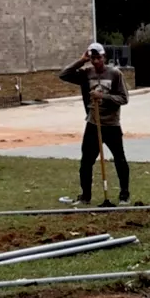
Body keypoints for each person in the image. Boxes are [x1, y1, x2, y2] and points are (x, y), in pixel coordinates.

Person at [59, 43, 130, 204]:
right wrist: (81, 61)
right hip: (93, 123)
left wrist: (103, 97)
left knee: (120, 159)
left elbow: (124, 98)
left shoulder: (115, 74)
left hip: (111, 124)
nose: (96, 61)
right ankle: (85, 196)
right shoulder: (86, 73)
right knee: (86, 162)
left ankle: (124, 195)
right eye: (92, 58)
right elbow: (63, 75)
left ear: (104, 57)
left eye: (98, 57)